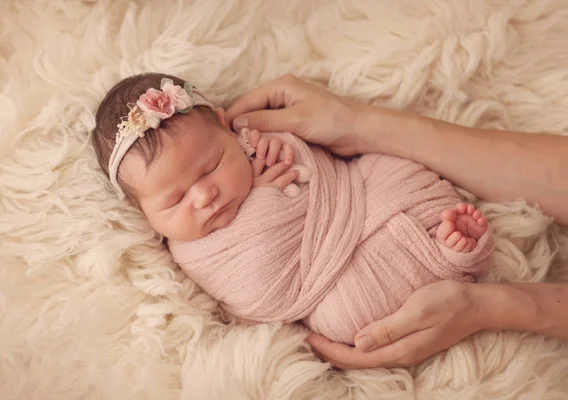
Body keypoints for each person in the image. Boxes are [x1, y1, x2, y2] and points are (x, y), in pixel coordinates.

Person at [90, 73, 496, 347]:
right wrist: (266, 202)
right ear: (143, 213)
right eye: (175, 200)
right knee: (343, 318)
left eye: (212, 166)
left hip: (359, 195)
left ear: (225, 128)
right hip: (331, 285)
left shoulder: (258, 145)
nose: (203, 196)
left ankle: (447, 241)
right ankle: (449, 257)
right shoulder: (192, 253)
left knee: (394, 171)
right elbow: (260, 296)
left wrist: (288, 150)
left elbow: (320, 165)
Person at [224, 73, 568, 369]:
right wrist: (363, 125)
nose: (203, 195)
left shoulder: (264, 157)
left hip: (369, 212)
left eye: (213, 165)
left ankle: (449, 249)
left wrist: (489, 308)